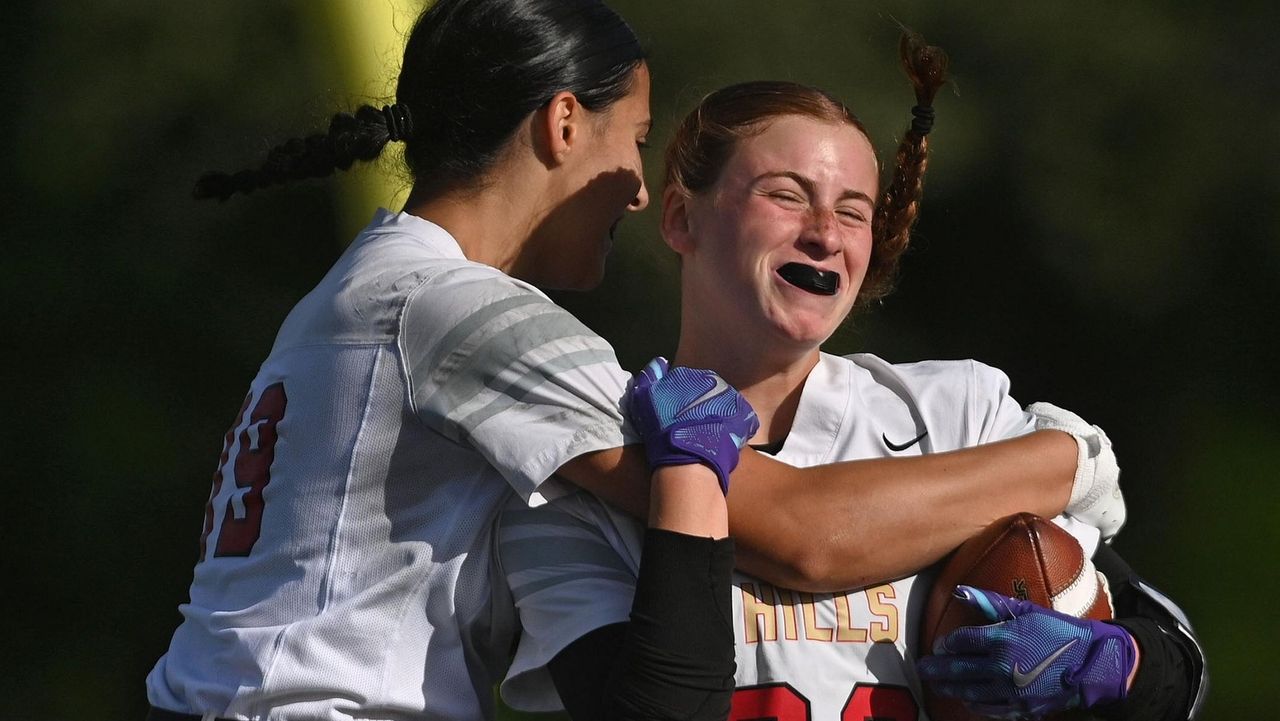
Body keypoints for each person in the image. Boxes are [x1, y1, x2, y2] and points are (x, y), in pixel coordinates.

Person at [146, 2, 1127, 718]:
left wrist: (1128, 661)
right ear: (563, 125)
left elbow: (1156, 647)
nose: (632, 187)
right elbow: (801, 531)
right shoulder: (464, 313)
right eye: (635, 141)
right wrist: (1070, 457)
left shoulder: (368, 286)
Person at [495, 33, 1207, 721]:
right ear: (682, 217)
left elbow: (1176, 664)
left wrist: (1116, 665)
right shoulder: (582, 458)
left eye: (853, 212)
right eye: (786, 195)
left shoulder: (955, 414)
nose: (826, 234)